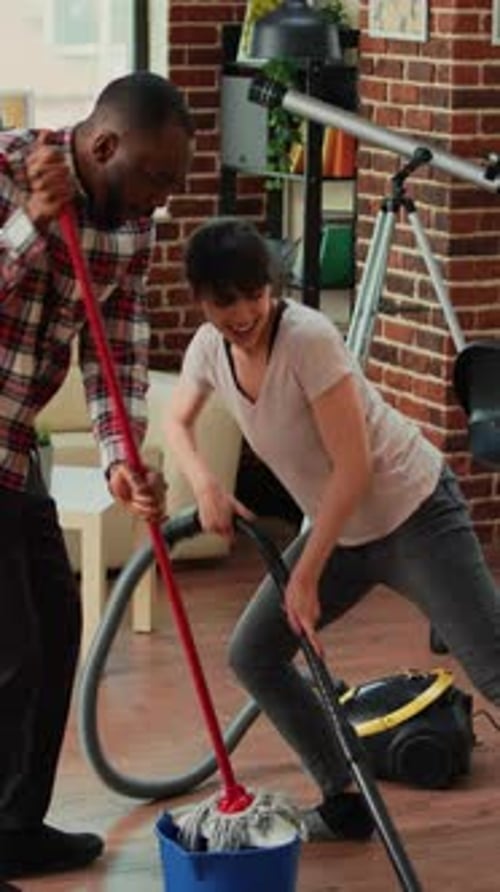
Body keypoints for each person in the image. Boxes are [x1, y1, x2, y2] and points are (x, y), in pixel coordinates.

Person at [164, 216, 500, 843]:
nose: (242, 313)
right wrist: (206, 484)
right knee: (254, 654)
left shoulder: (308, 340)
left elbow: (354, 469)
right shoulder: (210, 350)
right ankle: (343, 795)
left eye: (254, 294)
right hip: (341, 530)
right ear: (201, 299)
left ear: (271, 285)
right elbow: (178, 422)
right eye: (223, 301)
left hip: (414, 513)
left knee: (494, 668)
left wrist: (306, 577)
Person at [0, 72, 194, 880]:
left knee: (52, 633)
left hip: (14, 446)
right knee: (7, 653)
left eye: (173, 186)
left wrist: (122, 456)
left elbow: (121, 351)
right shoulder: (11, 176)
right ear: (104, 145)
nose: (159, 201)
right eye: (153, 178)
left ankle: (16, 825)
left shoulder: (130, 226)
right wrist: (27, 229)